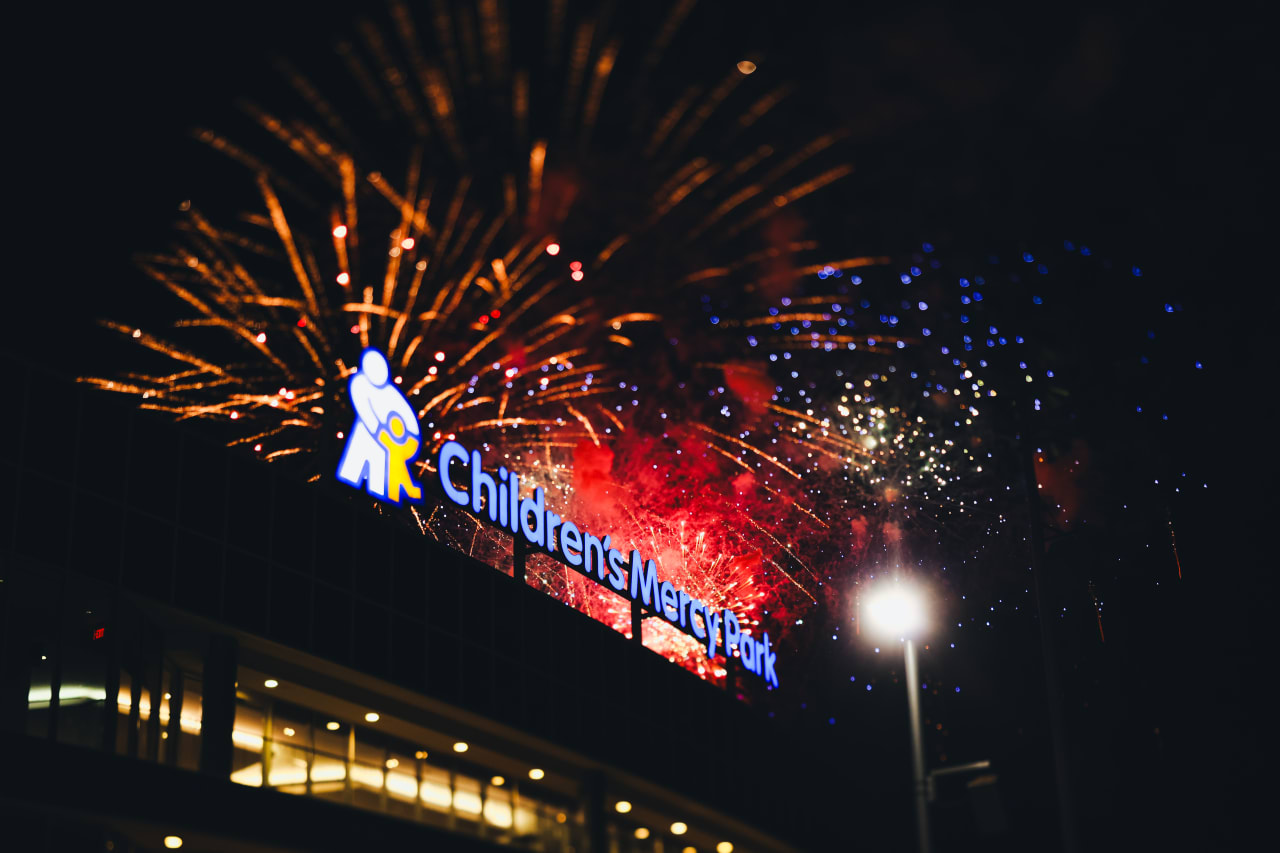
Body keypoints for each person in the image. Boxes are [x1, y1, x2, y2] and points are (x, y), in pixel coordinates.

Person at [336, 348, 421, 503]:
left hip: (389, 441)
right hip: (369, 436)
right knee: (354, 469)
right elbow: (364, 410)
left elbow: (408, 417)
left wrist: (411, 436)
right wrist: (379, 432)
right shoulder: (360, 383)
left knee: (377, 475)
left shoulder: (391, 393)